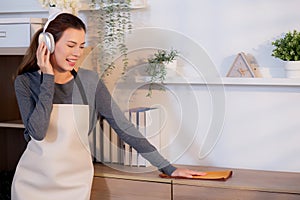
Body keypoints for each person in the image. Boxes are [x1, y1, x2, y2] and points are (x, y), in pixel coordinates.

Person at [11, 12, 205, 200]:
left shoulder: (89, 82)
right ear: (48, 44)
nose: (77, 53)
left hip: (74, 183)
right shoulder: (25, 83)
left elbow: (124, 127)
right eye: (71, 45)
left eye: (81, 46)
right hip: (32, 182)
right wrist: (48, 78)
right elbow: (37, 132)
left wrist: (168, 167)